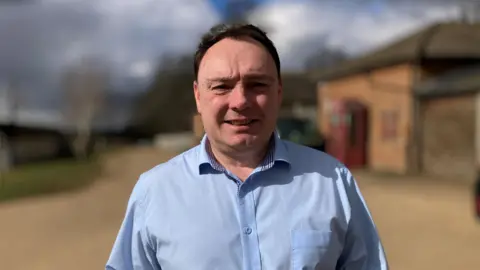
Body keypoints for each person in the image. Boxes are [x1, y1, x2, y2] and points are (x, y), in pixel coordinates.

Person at [106, 23, 388, 270]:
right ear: (198, 97)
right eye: (221, 86)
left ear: (278, 93)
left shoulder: (332, 181)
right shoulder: (154, 192)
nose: (240, 101)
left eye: (256, 85)